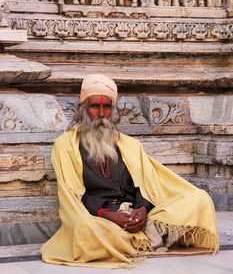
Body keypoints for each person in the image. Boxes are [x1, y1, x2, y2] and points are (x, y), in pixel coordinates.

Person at [41, 73, 219, 268]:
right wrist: (107, 215)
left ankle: (135, 239)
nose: (101, 114)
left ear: (113, 110)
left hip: (136, 215)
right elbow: (73, 196)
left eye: (107, 107)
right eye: (95, 106)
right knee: (85, 230)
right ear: (81, 109)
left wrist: (142, 210)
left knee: (198, 199)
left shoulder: (130, 145)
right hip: (101, 218)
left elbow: (147, 186)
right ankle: (146, 240)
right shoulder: (65, 145)